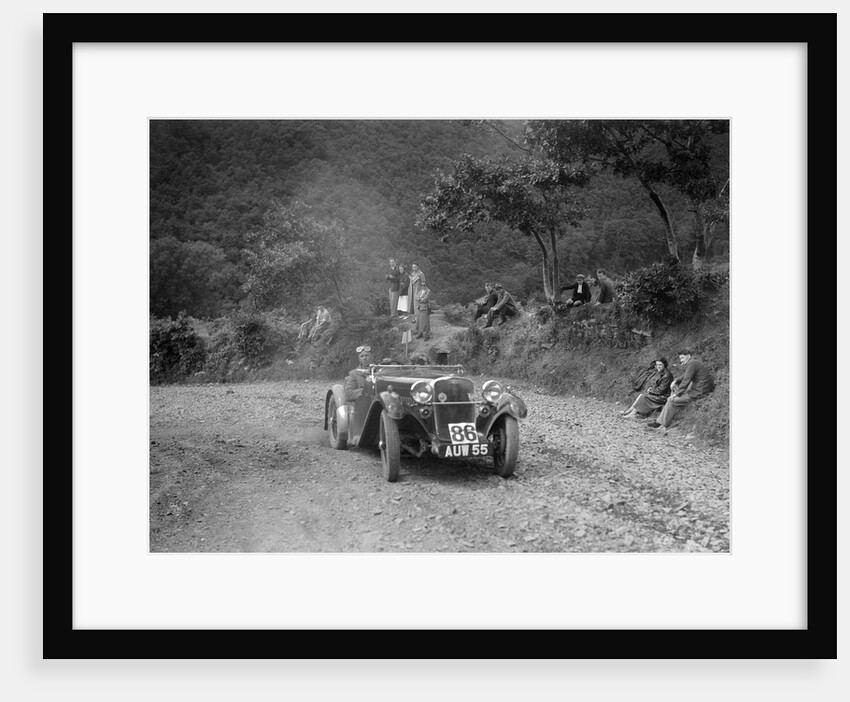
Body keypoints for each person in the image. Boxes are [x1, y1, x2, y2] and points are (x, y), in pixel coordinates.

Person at [648, 349, 715, 430]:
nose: (681, 360)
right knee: (673, 395)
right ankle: (660, 419)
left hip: (700, 391)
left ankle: (661, 422)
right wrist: (675, 380)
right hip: (700, 388)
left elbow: (686, 380)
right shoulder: (694, 362)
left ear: (689, 356)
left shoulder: (692, 364)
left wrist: (676, 394)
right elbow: (685, 376)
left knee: (671, 400)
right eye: (680, 358)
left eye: (682, 358)